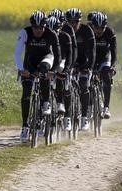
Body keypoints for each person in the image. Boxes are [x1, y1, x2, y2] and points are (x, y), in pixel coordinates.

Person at [14, 10, 60, 142]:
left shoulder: (51, 34)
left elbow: (57, 55)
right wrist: (22, 69)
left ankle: (46, 103)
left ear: (45, 26)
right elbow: (17, 53)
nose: (38, 30)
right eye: (35, 27)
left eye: (41, 27)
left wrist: (55, 71)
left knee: (44, 69)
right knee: (26, 94)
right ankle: (25, 126)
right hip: (30, 61)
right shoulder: (25, 32)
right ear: (31, 26)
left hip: (46, 58)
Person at [66, 8, 95, 130]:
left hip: (84, 60)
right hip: (69, 60)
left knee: (84, 85)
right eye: (70, 22)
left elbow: (92, 51)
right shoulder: (65, 30)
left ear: (80, 21)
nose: (73, 25)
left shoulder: (87, 30)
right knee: (65, 86)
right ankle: (66, 116)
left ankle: (84, 117)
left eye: (76, 22)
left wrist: (89, 67)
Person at [47, 15, 74, 131]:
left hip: (61, 60)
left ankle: (60, 104)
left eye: (56, 30)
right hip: (49, 59)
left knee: (60, 74)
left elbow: (70, 55)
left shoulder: (65, 36)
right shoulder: (44, 36)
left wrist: (67, 69)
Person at [88, 11, 117, 119]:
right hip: (92, 58)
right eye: (97, 28)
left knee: (106, 76)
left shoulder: (110, 32)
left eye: (102, 28)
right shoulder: (88, 32)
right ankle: (89, 107)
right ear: (92, 26)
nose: (99, 30)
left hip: (105, 57)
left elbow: (113, 51)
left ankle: (106, 107)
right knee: (87, 79)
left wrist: (112, 67)